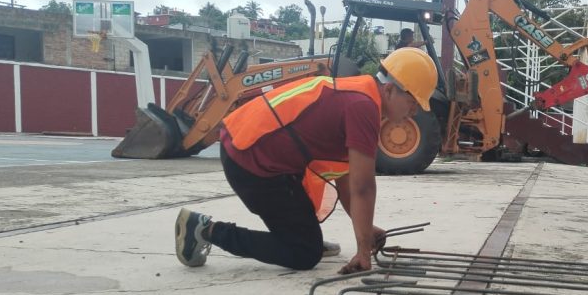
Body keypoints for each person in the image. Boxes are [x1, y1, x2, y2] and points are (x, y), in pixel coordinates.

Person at [174, 48, 438, 275]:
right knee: (303, 254)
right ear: (390, 90)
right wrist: (362, 251)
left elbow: (347, 181)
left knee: (305, 239)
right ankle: (205, 230)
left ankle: (302, 236)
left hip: (253, 151)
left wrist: (367, 232)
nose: (413, 112)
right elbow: (363, 187)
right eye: (413, 102)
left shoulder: (359, 95)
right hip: (251, 161)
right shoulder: (363, 107)